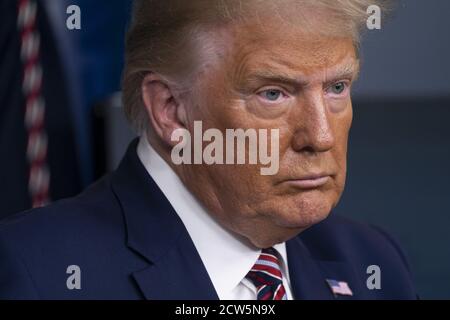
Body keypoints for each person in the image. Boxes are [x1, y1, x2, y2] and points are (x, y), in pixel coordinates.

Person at [0, 0, 417, 300]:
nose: (320, 136)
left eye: (337, 88)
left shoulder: (371, 263)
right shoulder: (36, 272)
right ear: (172, 110)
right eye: (273, 93)